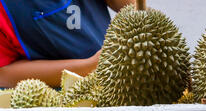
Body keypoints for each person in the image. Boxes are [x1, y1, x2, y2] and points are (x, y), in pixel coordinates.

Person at [0, 0, 134, 88]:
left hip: (122, 77)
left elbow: (132, 6)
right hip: (50, 105)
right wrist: (91, 66)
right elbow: (4, 75)